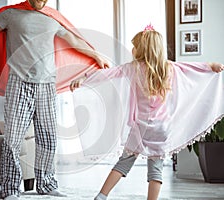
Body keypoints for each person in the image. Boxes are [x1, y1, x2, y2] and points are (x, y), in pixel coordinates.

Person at [0, 0, 109, 199]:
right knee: (13, 141)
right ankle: (10, 189)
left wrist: (96, 55)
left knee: (48, 138)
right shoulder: (11, 15)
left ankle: (47, 184)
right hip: (19, 84)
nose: (43, 2)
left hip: (46, 86)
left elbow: (75, 41)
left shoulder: (52, 17)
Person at [70, 27, 224, 200]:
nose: (132, 50)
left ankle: (101, 195)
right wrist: (211, 66)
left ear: (142, 49)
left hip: (140, 127)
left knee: (124, 162)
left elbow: (106, 74)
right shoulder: (168, 68)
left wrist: (84, 78)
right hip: (161, 128)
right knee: (156, 169)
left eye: (134, 46)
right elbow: (191, 68)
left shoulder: (132, 68)